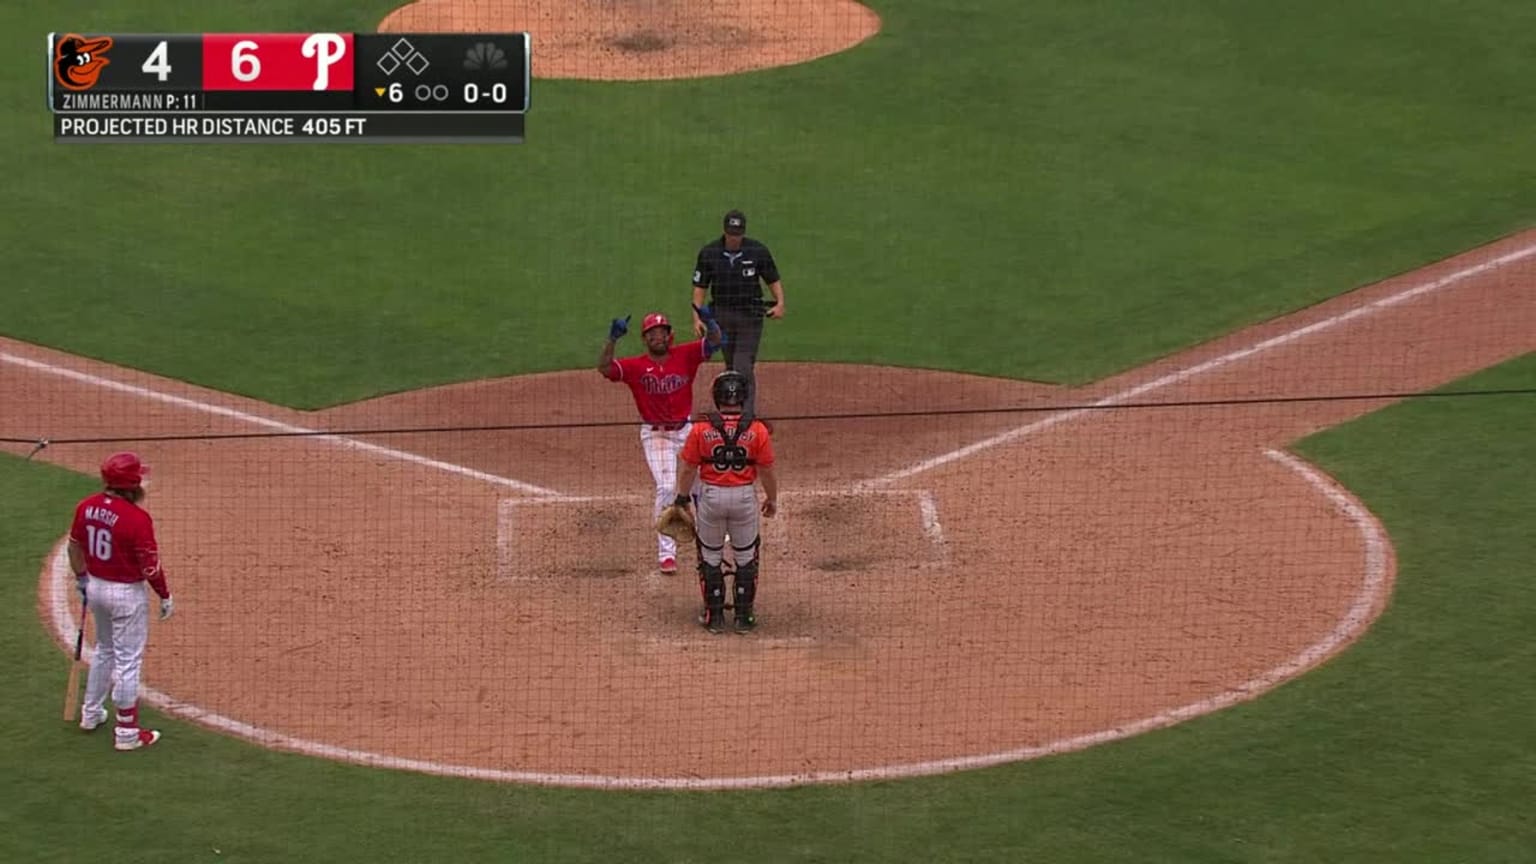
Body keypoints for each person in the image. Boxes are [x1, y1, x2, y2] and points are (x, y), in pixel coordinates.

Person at [600, 308, 722, 573]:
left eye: (661, 332)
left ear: (670, 336)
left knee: (704, 482)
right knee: (667, 487)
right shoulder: (635, 366)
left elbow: (714, 342)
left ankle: (709, 538)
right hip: (656, 435)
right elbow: (606, 368)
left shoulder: (686, 355)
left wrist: (710, 322)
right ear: (645, 339)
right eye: (652, 334)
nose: (658, 337)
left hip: (685, 430)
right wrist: (613, 340)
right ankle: (667, 554)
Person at [68, 451, 174, 751]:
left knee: (104, 649)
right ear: (131, 483)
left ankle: (91, 714)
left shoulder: (85, 506)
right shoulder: (137, 519)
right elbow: (149, 566)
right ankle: (127, 733)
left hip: (96, 587)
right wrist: (164, 595)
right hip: (126, 595)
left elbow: (74, 546)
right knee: (128, 660)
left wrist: (81, 579)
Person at [673, 370, 778, 633]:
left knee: (710, 555)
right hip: (744, 497)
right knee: (746, 557)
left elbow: (688, 469)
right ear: (743, 396)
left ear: (716, 397)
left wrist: (681, 498)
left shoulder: (700, 429)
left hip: (711, 497)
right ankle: (744, 618)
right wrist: (772, 499)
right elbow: (766, 470)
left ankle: (714, 617)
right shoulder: (758, 430)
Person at [690, 209, 784, 416]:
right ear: (725, 232)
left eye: (738, 234)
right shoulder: (710, 253)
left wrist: (780, 303)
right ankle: (729, 407)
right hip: (721, 315)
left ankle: (747, 414)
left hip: (749, 316)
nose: (735, 238)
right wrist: (696, 317)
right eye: (731, 234)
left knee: (743, 363)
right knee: (730, 363)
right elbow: (700, 287)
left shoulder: (757, 251)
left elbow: (772, 278)